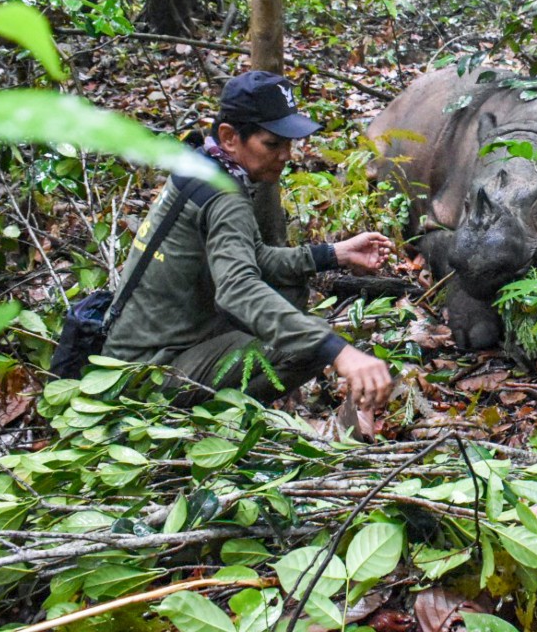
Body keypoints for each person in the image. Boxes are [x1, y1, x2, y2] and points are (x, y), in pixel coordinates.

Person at [103, 70, 395, 410]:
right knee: (310, 344)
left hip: (133, 355)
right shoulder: (225, 199)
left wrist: (332, 254)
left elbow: (251, 258)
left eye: (289, 143)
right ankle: (203, 420)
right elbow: (237, 288)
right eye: (273, 143)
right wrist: (337, 351)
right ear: (229, 137)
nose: (286, 155)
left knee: (290, 297)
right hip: (147, 374)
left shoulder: (204, 166)